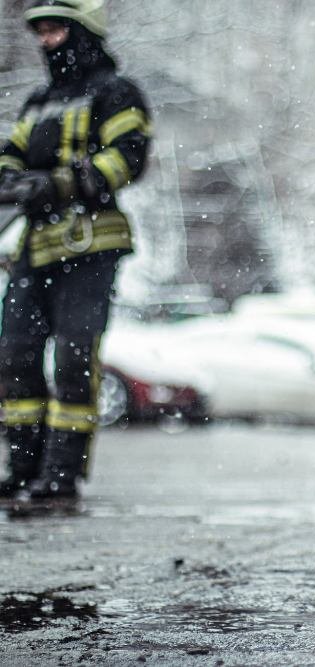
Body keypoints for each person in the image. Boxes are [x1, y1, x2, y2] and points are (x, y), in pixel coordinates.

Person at [0, 0, 151, 501]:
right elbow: (10, 160)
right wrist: (15, 182)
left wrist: (63, 182)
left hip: (92, 247)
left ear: (83, 31)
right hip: (34, 249)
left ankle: (61, 474)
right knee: (15, 355)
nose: (46, 40)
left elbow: (128, 158)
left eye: (55, 29)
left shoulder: (116, 92)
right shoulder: (37, 103)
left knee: (73, 358)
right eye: (39, 31)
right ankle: (22, 467)